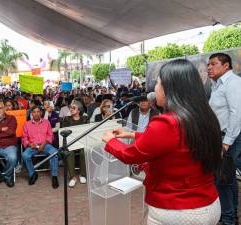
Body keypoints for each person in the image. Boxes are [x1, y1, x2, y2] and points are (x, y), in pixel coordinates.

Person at [102, 59, 222, 225]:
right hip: (209, 204)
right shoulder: (204, 115)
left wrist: (110, 141)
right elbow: (175, 143)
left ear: (170, 89)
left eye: (157, 83)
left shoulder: (167, 123)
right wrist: (132, 135)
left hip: (178, 209)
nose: (154, 89)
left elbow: (132, 154)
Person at [208, 53, 241, 225]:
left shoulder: (233, 83)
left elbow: (237, 114)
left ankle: (228, 219)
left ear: (226, 66)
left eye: (214, 64)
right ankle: (231, 216)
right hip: (221, 137)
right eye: (208, 64)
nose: (209, 67)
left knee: (222, 181)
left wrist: (226, 142)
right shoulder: (217, 84)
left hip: (229, 138)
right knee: (228, 180)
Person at [21, 106, 59, 189]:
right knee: (25, 155)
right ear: (31, 114)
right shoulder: (27, 124)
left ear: (41, 113)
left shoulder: (46, 122)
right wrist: (29, 144)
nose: (36, 114)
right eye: (34, 112)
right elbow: (24, 138)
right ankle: (32, 174)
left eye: (38, 111)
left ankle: (54, 176)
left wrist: (44, 144)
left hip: (45, 145)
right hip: (33, 146)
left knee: (55, 153)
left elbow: (50, 135)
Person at [61, 100, 89, 187]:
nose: (71, 109)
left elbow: (87, 131)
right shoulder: (66, 119)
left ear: (79, 110)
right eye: (71, 108)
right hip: (71, 143)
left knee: (83, 152)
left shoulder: (85, 119)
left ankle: (83, 175)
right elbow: (63, 132)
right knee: (69, 152)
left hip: (82, 142)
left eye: (74, 108)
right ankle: (72, 177)